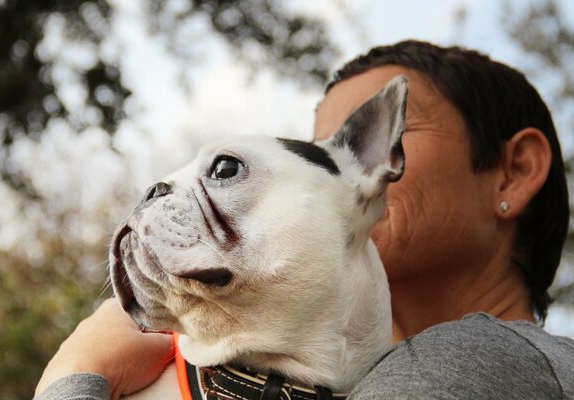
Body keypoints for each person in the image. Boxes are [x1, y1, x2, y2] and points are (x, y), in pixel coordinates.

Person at [35, 40, 574, 399]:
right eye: (315, 151)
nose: (335, 170)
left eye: (362, 136)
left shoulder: (466, 363)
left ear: (513, 172)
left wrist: (75, 371)